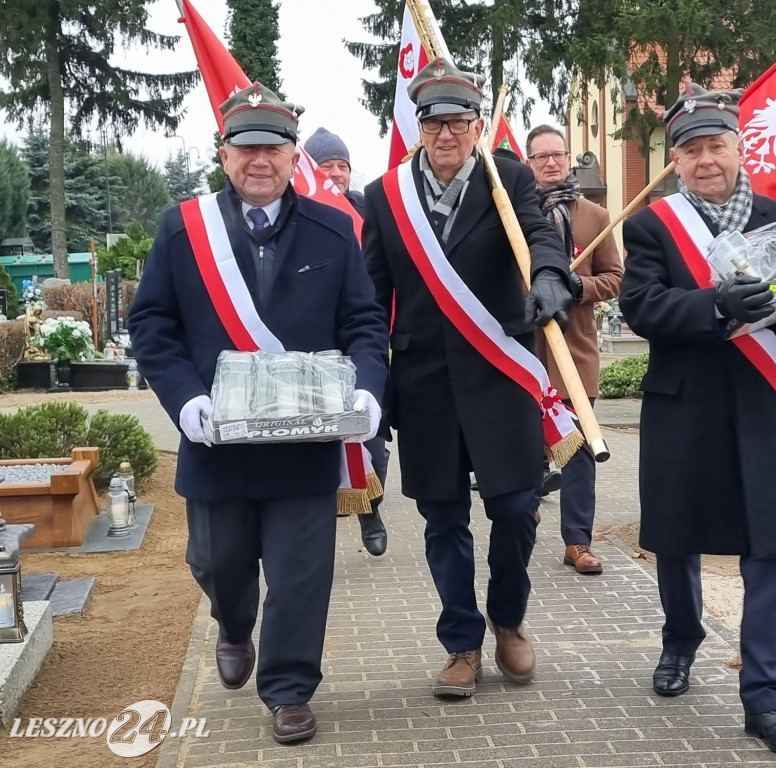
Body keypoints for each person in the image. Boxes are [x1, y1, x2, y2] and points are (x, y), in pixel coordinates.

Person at [126, 83, 389, 745]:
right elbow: (153, 323)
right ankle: (233, 623)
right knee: (221, 565)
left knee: (302, 575)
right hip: (218, 445)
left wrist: (366, 389)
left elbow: (362, 322)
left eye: (272, 147)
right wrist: (184, 400)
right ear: (224, 155)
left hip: (303, 446)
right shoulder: (183, 229)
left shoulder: (333, 228)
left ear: (293, 154)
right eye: (246, 149)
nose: (260, 161)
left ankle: (289, 688)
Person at [619, 83, 776, 757]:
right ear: (675, 162)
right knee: (677, 539)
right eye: (691, 150)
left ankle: (766, 699)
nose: (705, 159)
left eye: (716, 145)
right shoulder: (654, 225)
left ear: (739, 149)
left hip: (765, 408)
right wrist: (716, 305)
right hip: (685, 407)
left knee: (774, 550)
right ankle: (680, 641)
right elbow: (643, 307)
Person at [361, 58, 575, 698]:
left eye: (458, 122)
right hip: (425, 382)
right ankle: (461, 641)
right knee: (442, 517)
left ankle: (508, 618)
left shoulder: (507, 177)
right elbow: (373, 297)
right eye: (434, 124)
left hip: (501, 373)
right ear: (418, 129)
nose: (446, 135)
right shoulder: (385, 195)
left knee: (516, 507)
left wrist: (548, 277)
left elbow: (541, 234)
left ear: (478, 125)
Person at [525, 124, 623, 575]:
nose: (550, 163)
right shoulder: (512, 214)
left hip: (575, 352)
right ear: (528, 163)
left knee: (581, 450)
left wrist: (578, 285)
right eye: (540, 156)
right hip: (524, 352)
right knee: (524, 446)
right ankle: (523, 518)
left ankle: (578, 542)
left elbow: (616, 278)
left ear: (569, 160)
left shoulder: (594, 217)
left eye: (557, 155)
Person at [305, 126, 387, 556]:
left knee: (373, 443)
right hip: (314, 352)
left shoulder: (366, 211)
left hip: (360, 339)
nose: (335, 174)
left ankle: (370, 512)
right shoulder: (300, 213)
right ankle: (319, 527)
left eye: (342, 166)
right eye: (326, 166)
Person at [305, 127, 365, 216]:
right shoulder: (296, 213)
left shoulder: (366, 209)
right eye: (327, 167)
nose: (337, 173)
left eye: (342, 166)